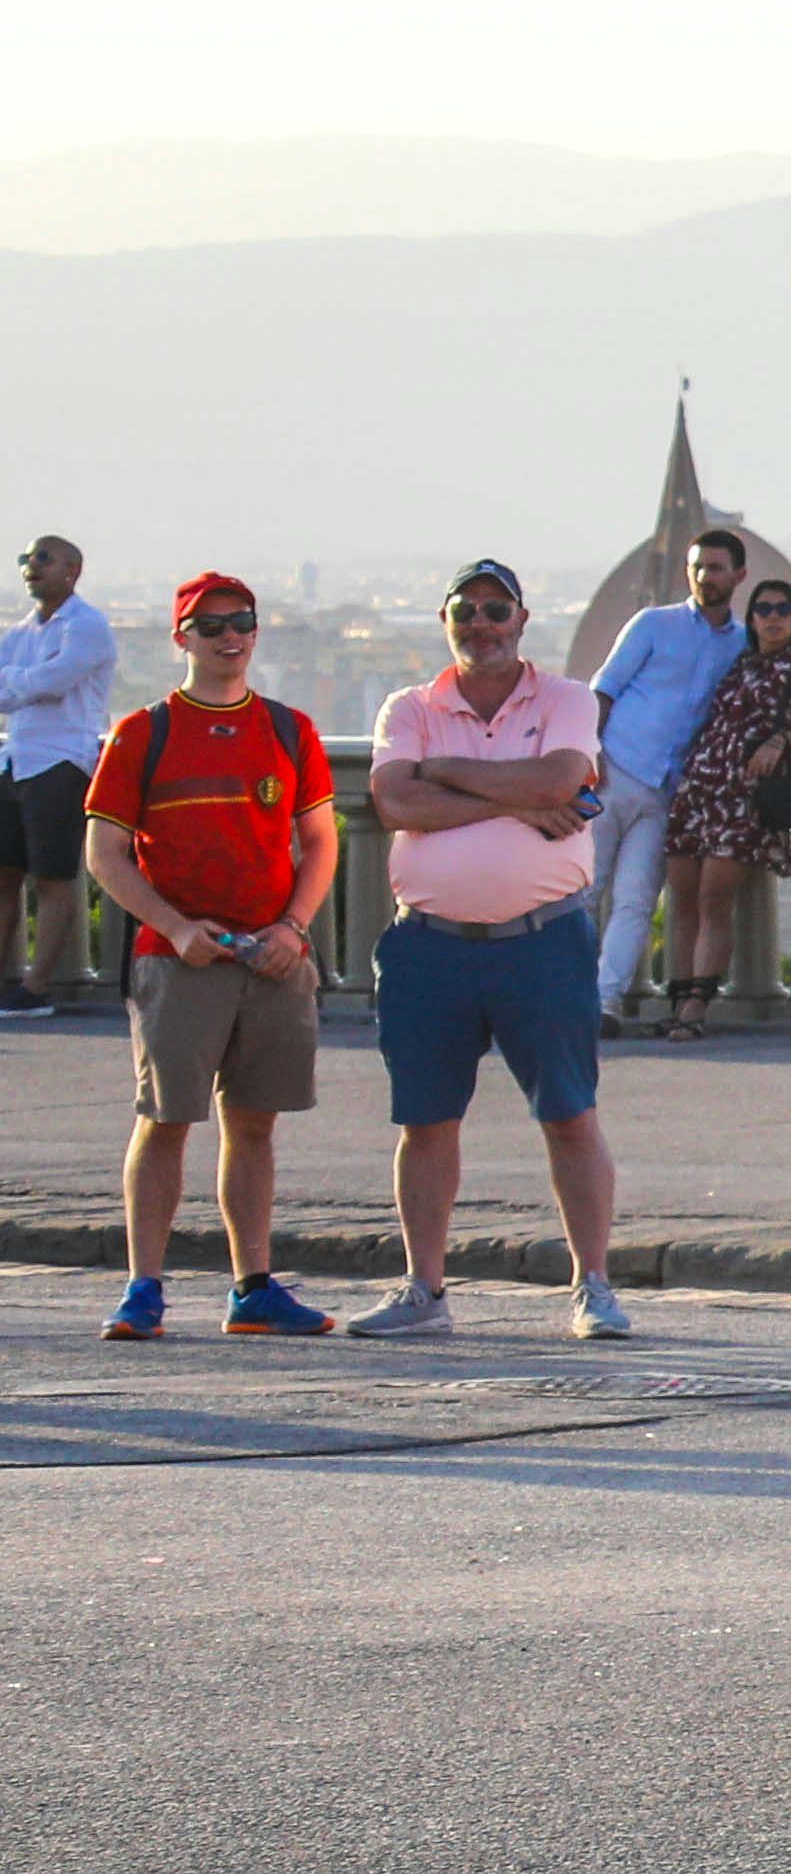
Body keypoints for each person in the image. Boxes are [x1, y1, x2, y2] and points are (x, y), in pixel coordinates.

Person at [350, 559, 630, 1342]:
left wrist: (446, 773)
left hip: (543, 941)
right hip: (427, 945)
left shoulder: (566, 699)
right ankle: (425, 1289)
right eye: (465, 610)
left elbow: (561, 779)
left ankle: (593, 1285)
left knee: (569, 1113)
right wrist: (517, 800)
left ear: (521, 619)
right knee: (426, 1119)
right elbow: (394, 799)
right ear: (446, 620)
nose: (481, 623)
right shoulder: (410, 706)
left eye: (495, 609)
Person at [75, 574, 338, 1338]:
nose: (230, 636)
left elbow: (320, 842)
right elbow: (105, 852)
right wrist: (174, 924)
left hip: (271, 955)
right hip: (176, 958)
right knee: (165, 1119)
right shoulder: (143, 732)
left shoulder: (289, 729)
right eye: (211, 624)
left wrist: (294, 927)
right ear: (181, 638)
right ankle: (143, 1288)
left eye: (242, 622)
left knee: (253, 1124)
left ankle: (252, 1285)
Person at [656, 578, 791, 1039]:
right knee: (683, 896)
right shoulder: (741, 662)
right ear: (752, 618)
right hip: (700, 786)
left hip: (743, 794)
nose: (773, 618)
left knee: (713, 898)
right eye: (763, 609)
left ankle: (698, 1005)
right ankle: (677, 1000)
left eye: (783, 609)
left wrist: (783, 740)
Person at [584, 526, 750, 1029]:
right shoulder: (653, 625)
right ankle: (562, 998)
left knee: (636, 901)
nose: (704, 577)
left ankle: (604, 1001)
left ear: (738, 575)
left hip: (666, 794)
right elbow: (604, 688)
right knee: (582, 893)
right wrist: (589, 754)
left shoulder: (744, 644)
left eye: (715, 568)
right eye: (696, 567)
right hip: (613, 772)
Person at [0, 533, 119, 1017]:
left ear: (73, 569)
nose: (32, 567)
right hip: (15, 760)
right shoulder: (19, 633)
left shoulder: (87, 627)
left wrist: (19, 683)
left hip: (61, 763)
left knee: (53, 878)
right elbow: (26, 688)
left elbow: (55, 681)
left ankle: (36, 987)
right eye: (26, 559)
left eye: (43, 558)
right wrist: (27, 684)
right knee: (5, 876)